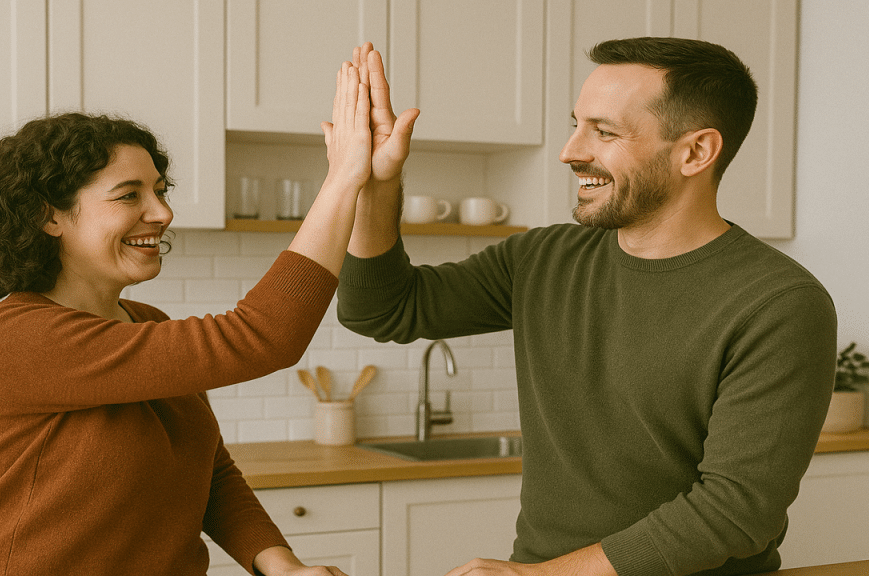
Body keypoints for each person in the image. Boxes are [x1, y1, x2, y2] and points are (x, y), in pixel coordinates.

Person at [336, 39, 837, 576]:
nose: (570, 150)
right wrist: (375, 184)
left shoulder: (779, 304)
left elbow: (735, 511)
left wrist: (541, 575)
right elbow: (381, 309)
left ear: (695, 152)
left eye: (604, 131)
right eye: (576, 124)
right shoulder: (544, 258)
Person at [0, 60, 372, 576]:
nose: (162, 212)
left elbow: (208, 472)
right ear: (48, 216)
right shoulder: (12, 339)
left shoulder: (145, 320)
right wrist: (345, 179)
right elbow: (264, 336)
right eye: (130, 195)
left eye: (160, 190)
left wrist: (280, 565)